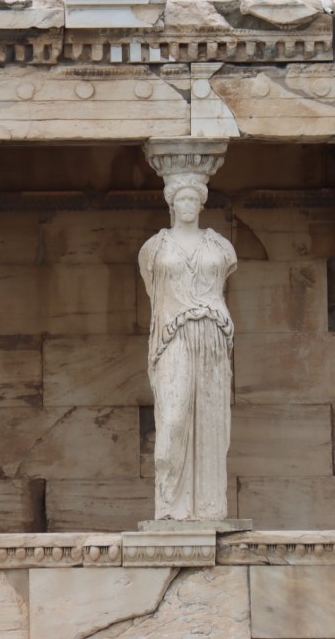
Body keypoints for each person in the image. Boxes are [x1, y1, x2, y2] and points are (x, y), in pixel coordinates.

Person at [138, 178, 237, 520]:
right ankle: (170, 505)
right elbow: (154, 292)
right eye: (182, 199)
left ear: (201, 203)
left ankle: (208, 508)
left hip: (212, 334)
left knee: (210, 418)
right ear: (172, 203)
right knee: (173, 418)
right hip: (173, 333)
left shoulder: (220, 246)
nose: (188, 205)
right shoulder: (154, 248)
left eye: (194, 199)